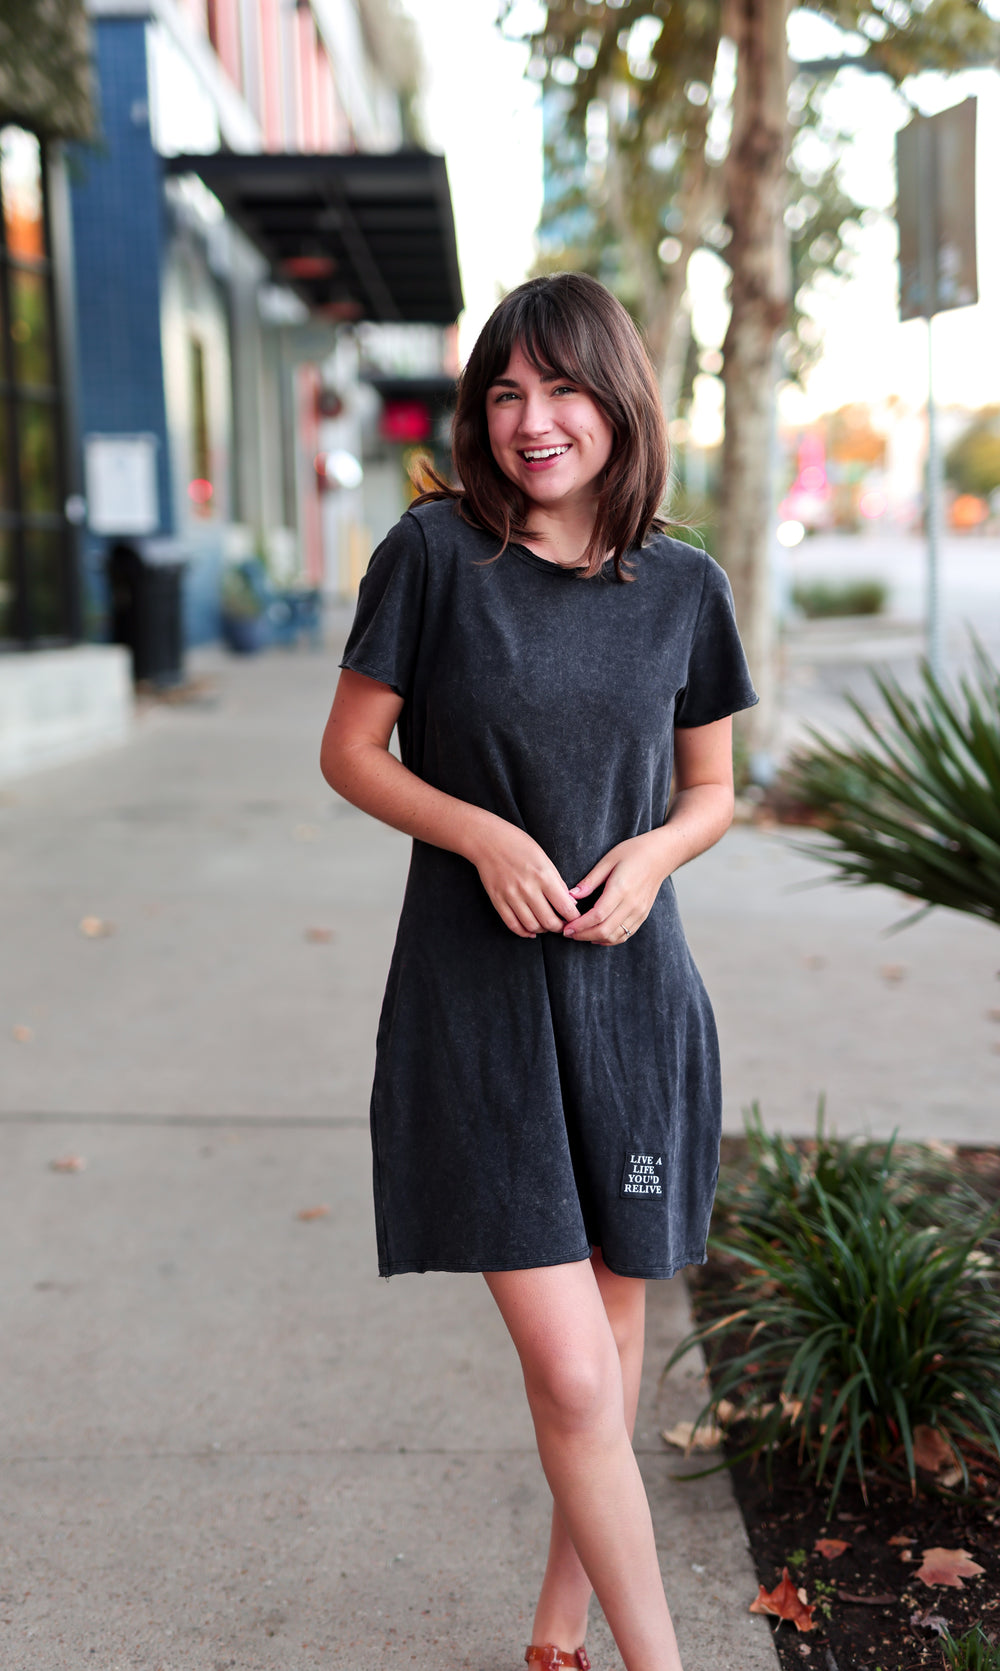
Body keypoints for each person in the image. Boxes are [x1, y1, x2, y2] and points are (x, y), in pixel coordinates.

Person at [320, 272, 757, 1671]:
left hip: (632, 1001)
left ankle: (556, 1637)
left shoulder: (685, 582)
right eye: (504, 392)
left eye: (560, 387)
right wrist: (480, 831)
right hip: (479, 1006)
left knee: (613, 1356)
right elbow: (350, 753)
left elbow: (713, 791)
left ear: (616, 397)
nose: (532, 419)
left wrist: (652, 862)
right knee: (572, 1366)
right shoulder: (436, 555)